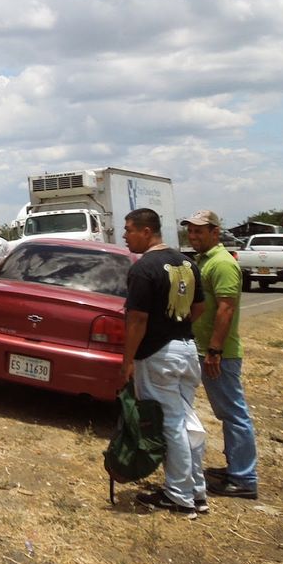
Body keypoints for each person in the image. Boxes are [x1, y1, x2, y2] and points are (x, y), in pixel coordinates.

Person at [122, 207, 207, 517]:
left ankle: (180, 496)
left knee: (170, 424)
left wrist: (127, 360)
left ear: (146, 232)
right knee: (187, 421)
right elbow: (199, 307)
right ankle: (196, 490)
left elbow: (137, 320)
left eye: (129, 229)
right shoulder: (187, 263)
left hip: (158, 355)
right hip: (186, 349)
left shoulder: (144, 268)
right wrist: (176, 326)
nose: (125, 236)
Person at [183, 210, 259, 501]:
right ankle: (236, 468)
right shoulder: (204, 260)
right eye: (190, 231)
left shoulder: (223, 263)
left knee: (234, 414)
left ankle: (244, 478)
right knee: (227, 413)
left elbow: (226, 309)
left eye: (199, 231)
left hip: (219, 354)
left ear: (215, 232)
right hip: (205, 349)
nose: (193, 236)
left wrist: (215, 350)